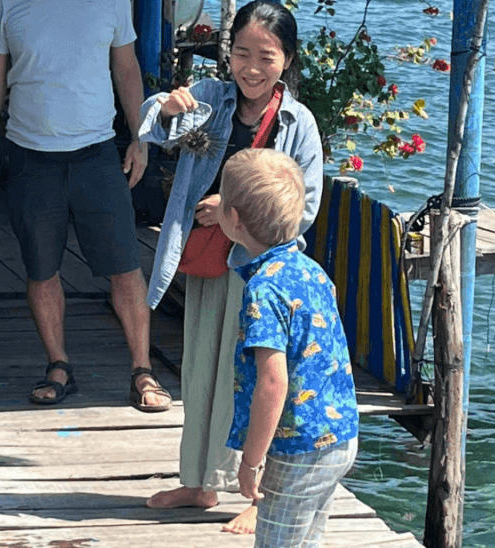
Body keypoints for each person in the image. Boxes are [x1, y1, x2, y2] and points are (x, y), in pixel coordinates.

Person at [139, 0, 323, 533]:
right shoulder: (213, 97)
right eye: (241, 53)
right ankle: (198, 483)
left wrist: (232, 211)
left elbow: (302, 211)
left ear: (286, 59)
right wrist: (171, 109)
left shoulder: (298, 124)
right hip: (206, 261)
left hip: (260, 273)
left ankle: (261, 495)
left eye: (265, 56)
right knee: (200, 371)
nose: (251, 67)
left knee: (251, 381)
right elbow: (154, 124)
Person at [0, 0, 172, 412]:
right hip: (29, 153)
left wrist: (141, 137)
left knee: (125, 265)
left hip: (97, 153)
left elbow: (126, 66)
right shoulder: (5, 3)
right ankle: (57, 365)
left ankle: (142, 371)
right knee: (41, 268)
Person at [219, 148, 359, 548]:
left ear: (233, 219)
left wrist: (251, 460)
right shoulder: (309, 268)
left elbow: (273, 382)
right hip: (339, 435)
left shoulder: (263, 290)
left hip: (297, 447)